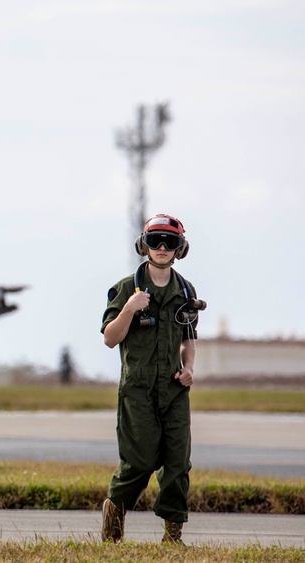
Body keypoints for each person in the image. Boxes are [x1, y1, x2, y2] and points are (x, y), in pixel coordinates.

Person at [100, 213, 201, 544]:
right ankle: (114, 514)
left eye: (169, 242)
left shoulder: (185, 290)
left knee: (177, 464)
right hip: (138, 389)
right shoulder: (126, 287)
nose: (161, 247)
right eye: (155, 240)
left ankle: (173, 537)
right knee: (140, 460)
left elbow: (188, 338)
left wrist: (188, 368)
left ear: (179, 248)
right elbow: (110, 338)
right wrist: (129, 308)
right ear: (143, 245)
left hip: (173, 389)